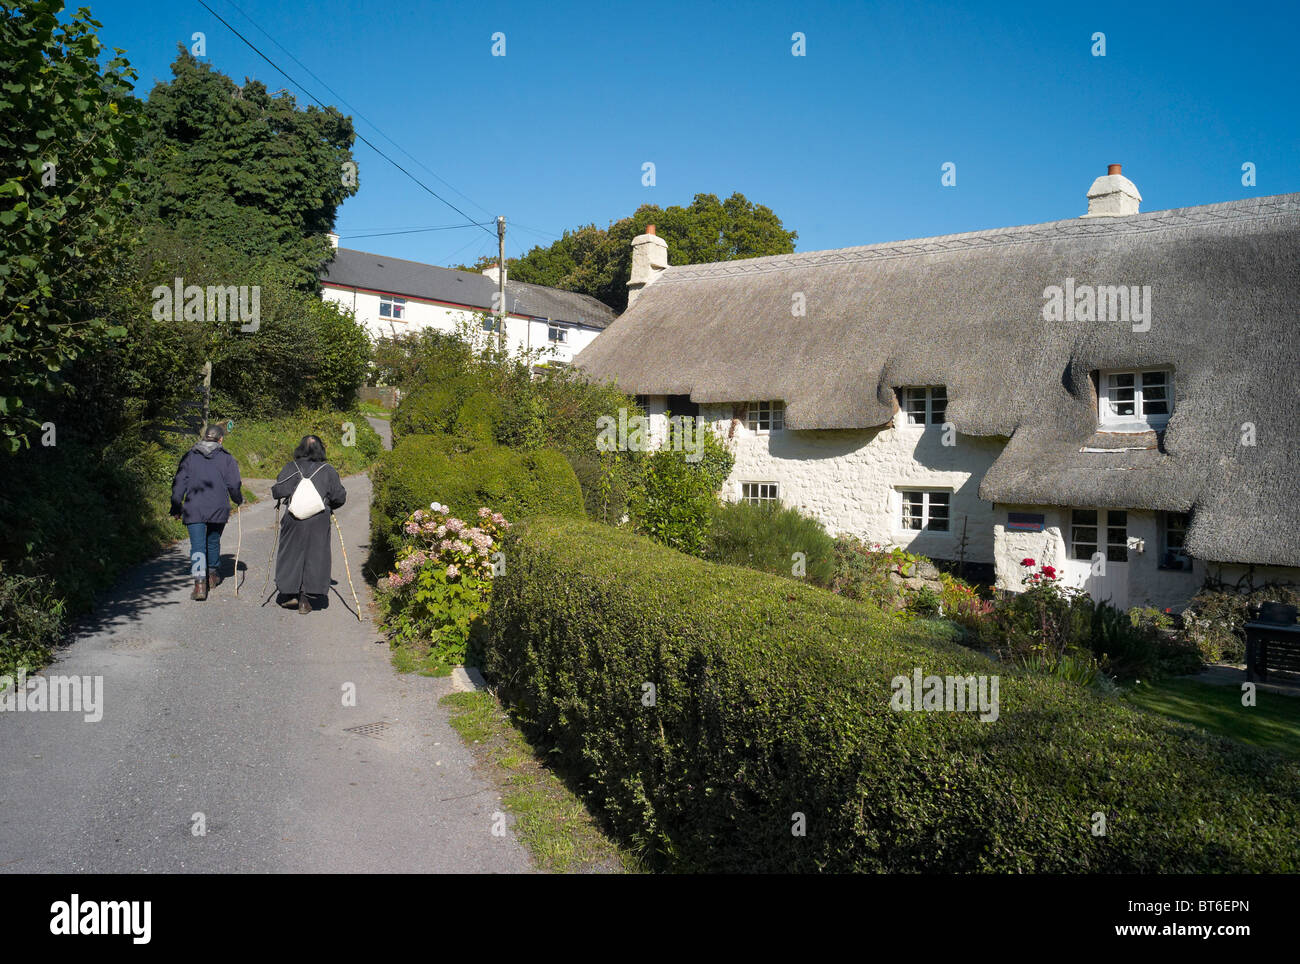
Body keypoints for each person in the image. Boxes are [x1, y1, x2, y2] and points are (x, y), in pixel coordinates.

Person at [271, 435, 347, 614]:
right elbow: (339, 496)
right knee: (316, 555)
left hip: (293, 518)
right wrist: (328, 506)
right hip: (319, 519)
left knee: (290, 553)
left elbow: (278, 490)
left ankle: (290, 594)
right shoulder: (328, 470)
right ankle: (306, 599)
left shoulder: (291, 467)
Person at [171, 423, 244, 601]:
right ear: (220, 439)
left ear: (204, 437)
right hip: (218, 507)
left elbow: (179, 482)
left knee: (197, 546)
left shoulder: (189, 456)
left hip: (194, 507)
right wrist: (238, 499)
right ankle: (212, 575)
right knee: (212, 541)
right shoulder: (227, 458)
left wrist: (176, 506)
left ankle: (199, 585)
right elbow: (233, 484)